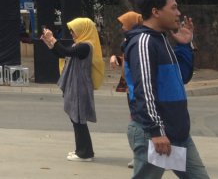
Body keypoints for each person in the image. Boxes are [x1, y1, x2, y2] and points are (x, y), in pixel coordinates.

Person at [124, 0, 210, 178]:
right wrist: (156, 131)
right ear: (155, 11)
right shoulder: (144, 42)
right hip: (154, 133)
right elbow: (144, 90)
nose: (178, 13)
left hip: (177, 132)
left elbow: (182, 77)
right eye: (173, 8)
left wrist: (185, 45)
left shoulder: (161, 40)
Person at [41, 17, 104, 163]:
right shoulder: (80, 44)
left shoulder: (86, 46)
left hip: (80, 85)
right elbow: (62, 53)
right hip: (76, 84)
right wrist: (49, 42)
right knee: (76, 119)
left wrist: (53, 39)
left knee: (79, 119)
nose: (72, 33)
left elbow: (65, 51)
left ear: (83, 30)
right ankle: (82, 150)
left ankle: (85, 153)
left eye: (74, 30)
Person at [110, 11, 144, 169]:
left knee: (139, 122)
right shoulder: (130, 40)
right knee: (136, 121)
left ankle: (142, 156)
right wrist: (116, 58)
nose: (122, 27)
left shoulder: (138, 41)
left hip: (137, 88)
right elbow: (129, 60)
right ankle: (139, 155)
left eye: (124, 24)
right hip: (130, 87)